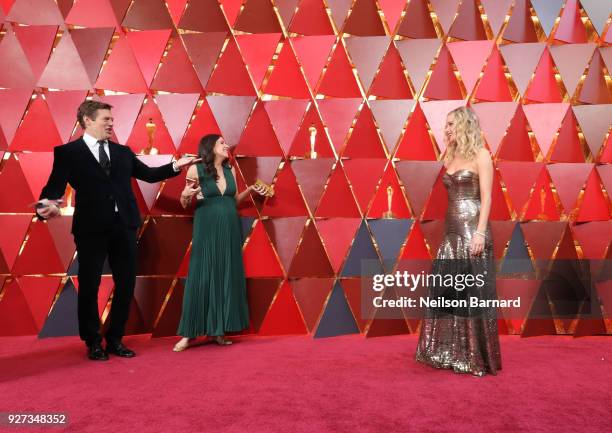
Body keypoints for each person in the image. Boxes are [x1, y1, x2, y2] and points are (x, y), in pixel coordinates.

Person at [37, 100, 200, 361]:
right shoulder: (68, 153)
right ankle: (93, 342)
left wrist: (176, 166)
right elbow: (54, 188)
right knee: (89, 285)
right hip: (90, 228)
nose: (111, 123)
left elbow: (148, 174)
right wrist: (45, 206)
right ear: (87, 121)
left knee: (126, 284)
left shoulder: (123, 152)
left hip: (124, 225)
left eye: (112, 119)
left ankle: (115, 339)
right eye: (106, 119)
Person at [415, 106, 501, 376]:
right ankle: (451, 353)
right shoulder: (449, 157)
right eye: (446, 124)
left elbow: (486, 197)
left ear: (465, 125)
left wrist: (479, 232)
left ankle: (475, 356)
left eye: (451, 124)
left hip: (472, 229)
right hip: (451, 229)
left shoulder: (482, 154)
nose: (447, 129)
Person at [173, 134, 266, 351]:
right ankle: (189, 334)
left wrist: (251, 190)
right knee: (201, 274)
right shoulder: (196, 169)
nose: (226, 146)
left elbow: (231, 200)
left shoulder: (229, 170)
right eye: (222, 143)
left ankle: (218, 330)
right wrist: (186, 195)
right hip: (207, 226)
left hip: (230, 227)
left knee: (225, 273)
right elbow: (185, 201)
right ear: (210, 147)